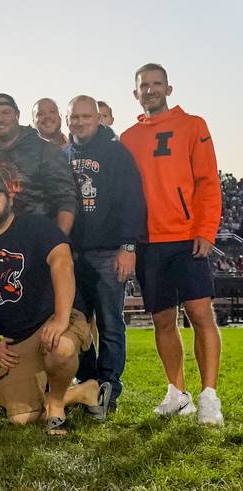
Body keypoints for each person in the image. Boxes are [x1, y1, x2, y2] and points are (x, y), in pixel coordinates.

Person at [0, 176, 105, 435]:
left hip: (56, 317)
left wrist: (60, 319)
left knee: (59, 348)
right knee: (21, 417)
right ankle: (83, 391)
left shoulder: (36, 226)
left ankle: (57, 409)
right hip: (19, 337)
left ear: (10, 199)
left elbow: (62, 262)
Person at [120, 63, 224, 426]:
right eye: (143, 86)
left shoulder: (193, 125)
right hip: (150, 242)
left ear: (168, 88)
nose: (149, 90)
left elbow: (209, 181)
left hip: (186, 237)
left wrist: (206, 229)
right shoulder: (128, 137)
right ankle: (177, 393)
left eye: (156, 84)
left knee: (199, 315)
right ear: (135, 93)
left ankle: (209, 395)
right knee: (163, 319)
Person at [66, 95, 147, 413]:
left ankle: (109, 389)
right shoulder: (63, 154)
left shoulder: (116, 152)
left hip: (109, 251)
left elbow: (132, 202)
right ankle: (87, 383)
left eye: (87, 116)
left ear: (98, 118)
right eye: (75, 116)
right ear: (67, 118)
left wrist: (128, 247)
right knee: (79, 323)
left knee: (111, 323)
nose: (80, 122)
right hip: (73, 254)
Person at [0, 93, 77, 234]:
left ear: (17, 115)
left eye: (5, 113)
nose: (0, 119)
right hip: (1, 245)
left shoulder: (46, 149)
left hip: (40, 239)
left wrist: (58, 244)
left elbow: (66, 201)